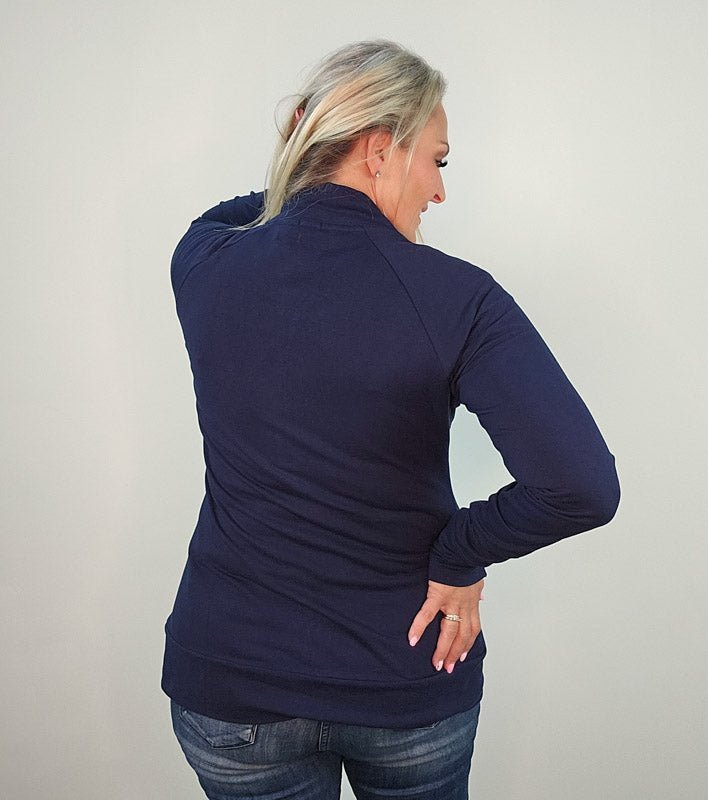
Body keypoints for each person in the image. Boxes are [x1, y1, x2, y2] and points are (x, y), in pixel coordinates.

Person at [162, 38, 620, 800]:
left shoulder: (203, 264)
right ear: (381, 151)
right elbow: (582, 486)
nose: (439, 191)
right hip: (405, 679)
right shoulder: (458, 297)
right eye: (437, 159)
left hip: (231, 686)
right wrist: (459, 556)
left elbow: (236, 210)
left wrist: (306, 158)